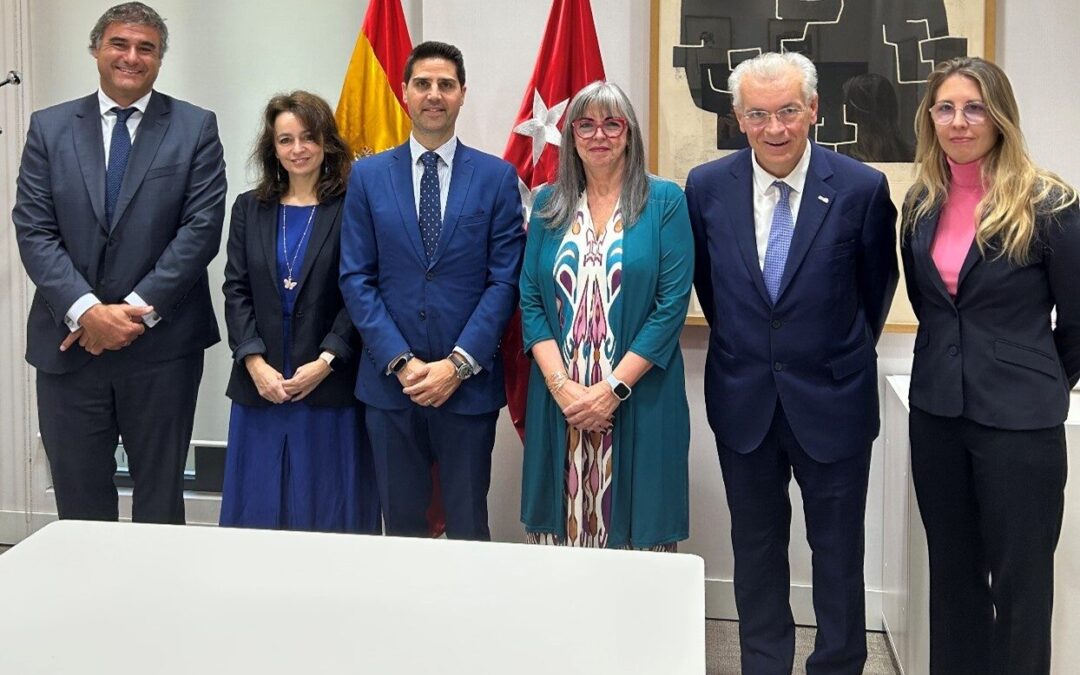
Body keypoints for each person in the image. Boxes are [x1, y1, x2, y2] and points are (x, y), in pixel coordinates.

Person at [685, 51, 898, 674]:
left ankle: (837, 664)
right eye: (758, 114)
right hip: (744, 399)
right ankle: (764, 662)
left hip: (833, 400)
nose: (774, 128)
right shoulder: (706, 188)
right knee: (755, 548)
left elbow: (874, 289)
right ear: (737, 117)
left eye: (787, 111)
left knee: (837, 551)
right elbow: (711, 286)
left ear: (813, 109)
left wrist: (825, 351)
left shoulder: (860, 188)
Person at [12, 2, 226, 523]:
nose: (132, 57)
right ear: (96, 49)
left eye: (145, 48)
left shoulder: (195, 127)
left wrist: (127, 314)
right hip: (69, 346)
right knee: (79, 502)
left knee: (159, 500)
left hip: (161, 348)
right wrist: (87, 311)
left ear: (159, 58)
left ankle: (157, 602)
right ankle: (89, 603)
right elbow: (34, 228)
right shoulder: (50, 127)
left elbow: (200, 232)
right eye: (119, 44)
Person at [900, 56, 1079, 675]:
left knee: (1022, 588)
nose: (958, 121)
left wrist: (1036, 376)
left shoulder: (1049, 202)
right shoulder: (920, 204)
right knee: (952, 577)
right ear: (930, 117)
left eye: (973, 107)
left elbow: (1077, 324)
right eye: (945, 107)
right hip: (937, 415)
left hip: (1020, 425)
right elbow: (931, 308)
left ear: (999, 115)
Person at [339, 41, 525, 541]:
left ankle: (469, 620)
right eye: (423, 83)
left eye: (446, 84)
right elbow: (356, 277)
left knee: (468, 523)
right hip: (389, 386)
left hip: (467, 386)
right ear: (404, 93)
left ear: (463, 94)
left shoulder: (497, 177)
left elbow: (504, 279)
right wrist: (401, 361)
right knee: (399, 527)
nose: (434, 95)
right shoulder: (367, 176)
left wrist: (458, 364)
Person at [518, 81, 693, 550]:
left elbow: (670, 307)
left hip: (640, 396)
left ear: (630, 133)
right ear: (571, 135)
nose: (600, 135)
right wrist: (564, 390)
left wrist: (611, 391)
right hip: (562, 399)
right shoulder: (549, 204)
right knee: (561, 529)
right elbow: (531, 300)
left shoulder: (664, 202)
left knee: (639, 535)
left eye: (612, 123)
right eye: (587, 124)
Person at [219, 91, 379, 533]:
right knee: (259, 504)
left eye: (308, 137)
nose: (297, 149)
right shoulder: (250, 208)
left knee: (329, 507)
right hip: (262, 386)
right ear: (272, 148)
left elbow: (361, 290)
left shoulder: (352, 207)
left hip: (328, 387)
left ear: (327, 142)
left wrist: (327, 361)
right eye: (285, 140)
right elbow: (236, 289)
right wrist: (253, 362)